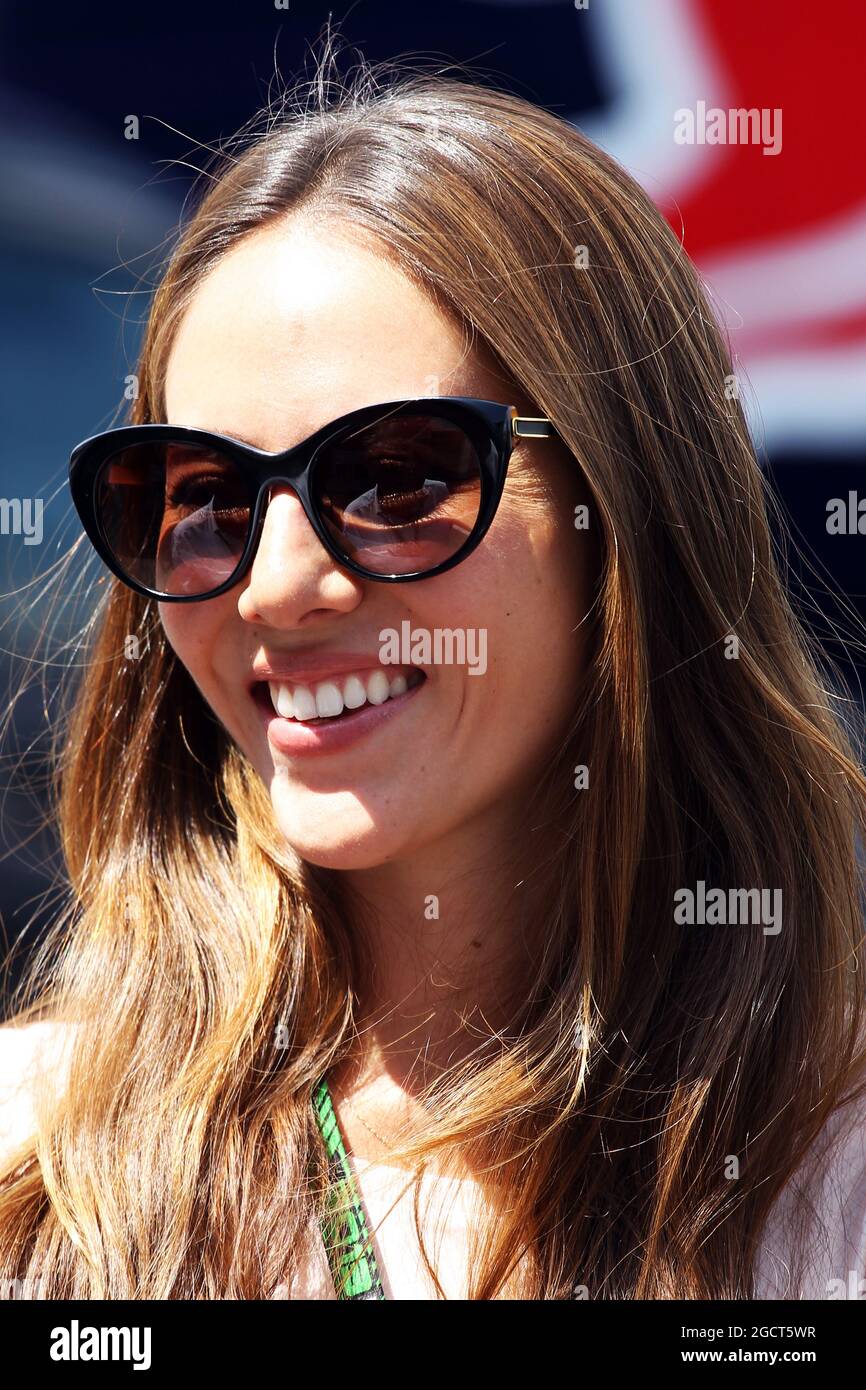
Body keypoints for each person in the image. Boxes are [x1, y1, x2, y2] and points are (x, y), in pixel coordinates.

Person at [1, 50, 865, 1301]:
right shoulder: (37, 1165)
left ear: (624, 508)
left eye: (394, 476)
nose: (274, 585)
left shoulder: (823, 1186)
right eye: (198, 497)